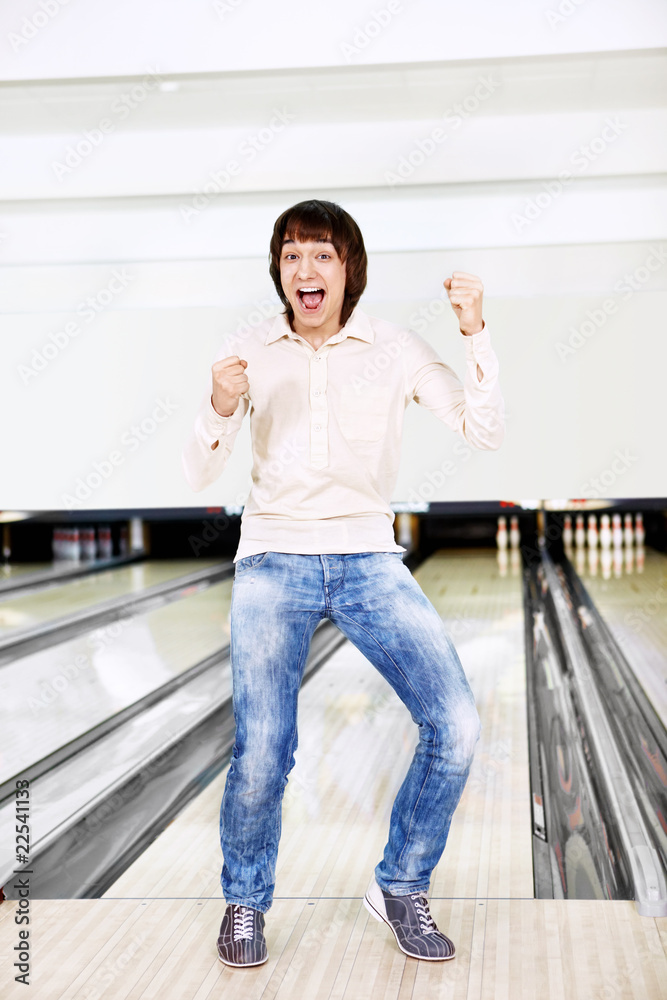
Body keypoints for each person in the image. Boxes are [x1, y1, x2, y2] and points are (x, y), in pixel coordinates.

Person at [182, 198, 505, 967]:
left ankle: (400, 884)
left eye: (321, 255)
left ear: (348, 268)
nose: (305, 270)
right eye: (291, 256)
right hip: (271, 559)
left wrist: (473, 332)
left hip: (367, 559)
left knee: (454, 724)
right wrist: (221, 405)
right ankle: (244, 903)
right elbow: (198, 471)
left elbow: (483, 430)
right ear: (278, 272)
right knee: (264, 748)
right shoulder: (248, 349)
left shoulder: (393, 347)